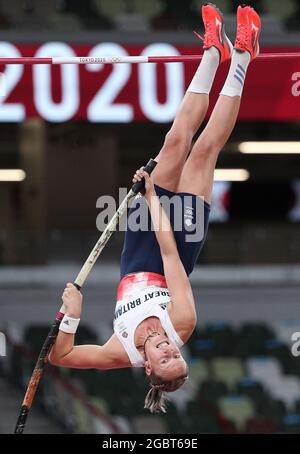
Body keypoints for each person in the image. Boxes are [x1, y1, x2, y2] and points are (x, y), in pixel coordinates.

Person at [49, 3, 261, 413]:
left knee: (175, 142)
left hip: (137, 249)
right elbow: (168, 252)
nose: (169, 348)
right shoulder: (181, 324)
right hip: (177, 244)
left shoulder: (118, 350)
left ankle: (212, 53)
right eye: (176, 355)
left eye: (165, 357)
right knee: (201, 153)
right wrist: (149, 198)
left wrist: (70, 314)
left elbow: (63, 356)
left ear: (147, 367)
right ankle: (243, 57)